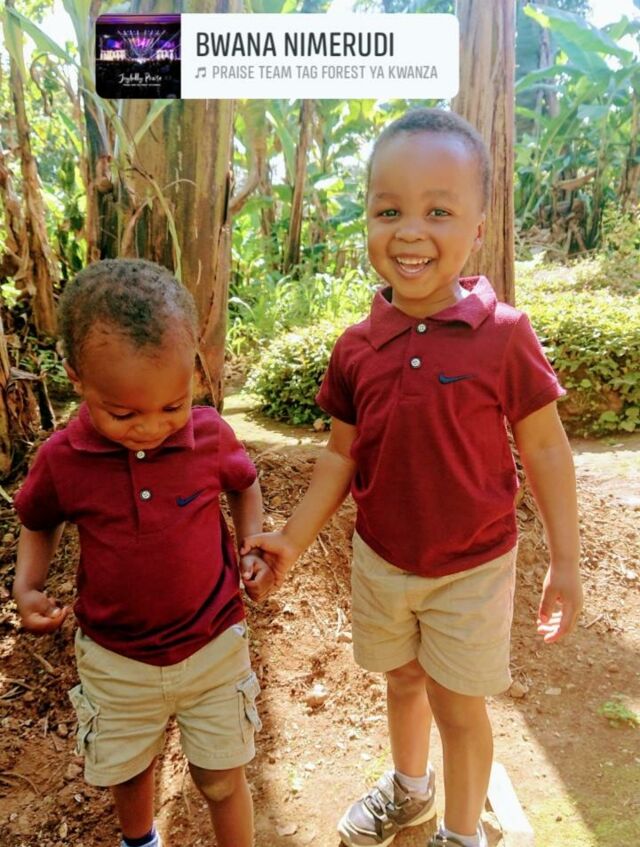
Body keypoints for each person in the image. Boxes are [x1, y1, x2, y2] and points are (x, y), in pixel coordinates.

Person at [242, 108, 583, 847]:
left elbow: (547, 450)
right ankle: (410, 788)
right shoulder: (356, 347)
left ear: (478, 229)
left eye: (438, 211)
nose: (409, 231)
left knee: (459, 705)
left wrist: (565, 559)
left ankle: (461, 835)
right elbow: (340, 456)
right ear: (367, 219)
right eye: (389, 210)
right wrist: (291, 540)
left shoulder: (505, 336)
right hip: (383, 558)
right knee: (401, 681)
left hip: (472, 568)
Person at [13, 259, 273, 847]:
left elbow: (244, 483)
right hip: (115, 660)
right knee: (128, 772)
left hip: (213, 647)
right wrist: (27, 587)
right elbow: (38, 519)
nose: (151, 428)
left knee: (222, 778)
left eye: (173, 406)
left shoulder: (210, 436)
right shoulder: (63, 460)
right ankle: (141, 841)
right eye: (124, 414)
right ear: (77, 378)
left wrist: (252, 542)